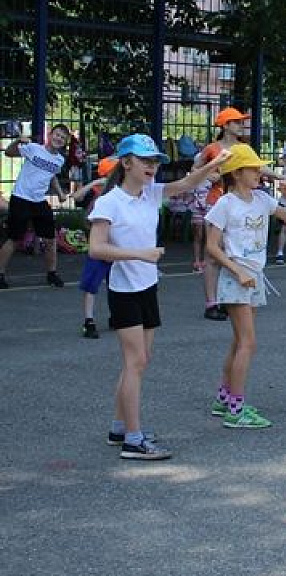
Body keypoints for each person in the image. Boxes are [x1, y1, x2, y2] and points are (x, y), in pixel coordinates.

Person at [88, 134, 231, 460]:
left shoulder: (151, 194)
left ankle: (119, 427)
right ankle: (133, 441)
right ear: (126, 163)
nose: (152, 167)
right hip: (124, 292)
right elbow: (96, 248)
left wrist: (213, 164)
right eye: (145, 161)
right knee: (135, 362)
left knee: (139, 361)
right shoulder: (110, 201)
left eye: (155, 161)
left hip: (147, 287)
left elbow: (187, 182)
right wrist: (141, 254)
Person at [204, 144, 286, 429]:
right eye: (253, 168)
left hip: (254, 277)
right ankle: (236, 409)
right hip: (237, 278)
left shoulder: (261, 199)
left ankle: (224, 399)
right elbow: (212, 246)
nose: (259, 172)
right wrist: (237, 271)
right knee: (248, 343)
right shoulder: (225, 203)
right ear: (236, 173)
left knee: (239, 342)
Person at [195, 107, 252, 321]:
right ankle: (211, 303)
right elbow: (195, 167)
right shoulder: (212, 148)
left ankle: (230, 299)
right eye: (236, 122)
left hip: (238, 205)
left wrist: (278, 176)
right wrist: (208, 174)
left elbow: (256, 168)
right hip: (216, 203)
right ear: (225, 125)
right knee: (213, 255)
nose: (241, 125)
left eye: (241, 121)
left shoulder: (244, 147)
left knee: (233, 252)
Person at [0, 124, 71, 289]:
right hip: (21, 198)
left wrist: (60, 192)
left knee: (51, 238)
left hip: (39, 201)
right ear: (50, 135)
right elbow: (9, 153)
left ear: (65, 142)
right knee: (14, 238)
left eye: (62, 137)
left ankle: (52, 274)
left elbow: (51, 175)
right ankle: (1, 274)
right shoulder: (33, 149)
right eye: (57, 135)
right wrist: (18, 140)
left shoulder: (59, 160)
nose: (58, 139)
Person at [72, 157, 115, 339]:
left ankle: (117, 315)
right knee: (91, 285)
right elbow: (76, 196)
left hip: (116, 247)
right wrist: (96, 182)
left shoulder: (124, 194)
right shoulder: (98, 194)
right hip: (99, 247)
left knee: (117, 284)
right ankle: (88, 320)